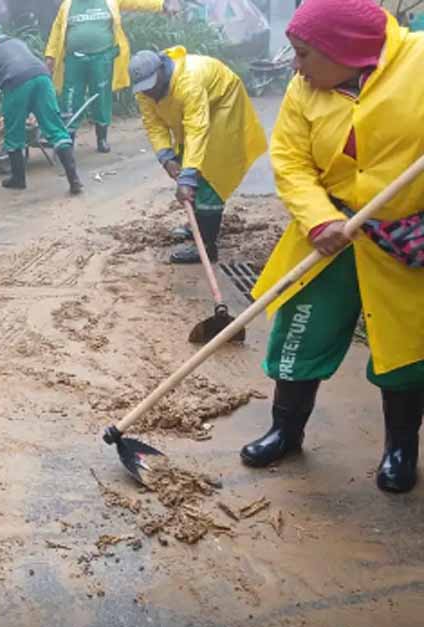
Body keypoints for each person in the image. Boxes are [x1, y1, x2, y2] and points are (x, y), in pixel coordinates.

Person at [239, 0, 424, 493]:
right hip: (331, 236)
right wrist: (319, 219)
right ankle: (286, 430)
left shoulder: (419, 63)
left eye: (303, 54)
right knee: (301, 330)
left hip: (403, 237)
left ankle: (401, 449)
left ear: (346, 49)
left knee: (404, 348)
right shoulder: (304, 90)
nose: (295, 66)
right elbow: (291, 159)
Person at [130, 48, 267, 264]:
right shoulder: (145, 91)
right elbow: (153, 124)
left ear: (161, 72)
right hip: (197, 113)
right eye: (143, 89)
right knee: (185, 158)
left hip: (223, 104)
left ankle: (207, 246)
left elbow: (196, 128)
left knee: (208, 173)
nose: (148, 94)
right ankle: (199, 224)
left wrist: (188, 177)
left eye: (151, 87)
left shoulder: (188, 82)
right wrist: (166, 158)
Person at [44, 0, 176, 153]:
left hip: (102, 58)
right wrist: (50, 55)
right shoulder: (68, 4)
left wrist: (162, 5)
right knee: (70, 97)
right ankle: (68, 139)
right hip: (74, 59)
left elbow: (137, 2)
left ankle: (102, 138)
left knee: (102, 97)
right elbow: (57, 29)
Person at [0, 17, 83, 195]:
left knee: (14, 133)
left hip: (15, 82)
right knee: (55, 128)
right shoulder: (16, 41)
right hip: (42, 77)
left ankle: (18, 179)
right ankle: (74, 179)